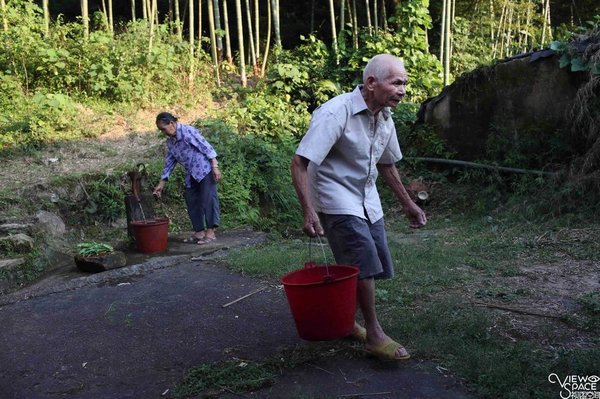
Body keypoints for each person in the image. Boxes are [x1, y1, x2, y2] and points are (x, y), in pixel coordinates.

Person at [291, 54, 427, 361]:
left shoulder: (385, 117)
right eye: (396, 83)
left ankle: (343, 321)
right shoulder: (336, 113)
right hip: (333, 195)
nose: (403, 90)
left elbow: (387, 163)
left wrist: (407, 203)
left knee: (368, 259)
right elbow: (299, 162)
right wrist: (309, 211)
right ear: (371, 83)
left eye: (404, 83)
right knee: (362, 259)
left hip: (366, 197)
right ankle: (374, 334)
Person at [153, 112, 222, 244]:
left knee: (209, 199)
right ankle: (199, 232)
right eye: (160, 130)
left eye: (163, 129)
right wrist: (161, 184)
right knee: (191, 200)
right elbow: (170, 162)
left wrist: (214, 166)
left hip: (204, 170)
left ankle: (211, 232)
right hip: (191, 173)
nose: (163, 132)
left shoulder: (188, 131)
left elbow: (205, 146)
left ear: (172, 124)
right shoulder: (171, 142)